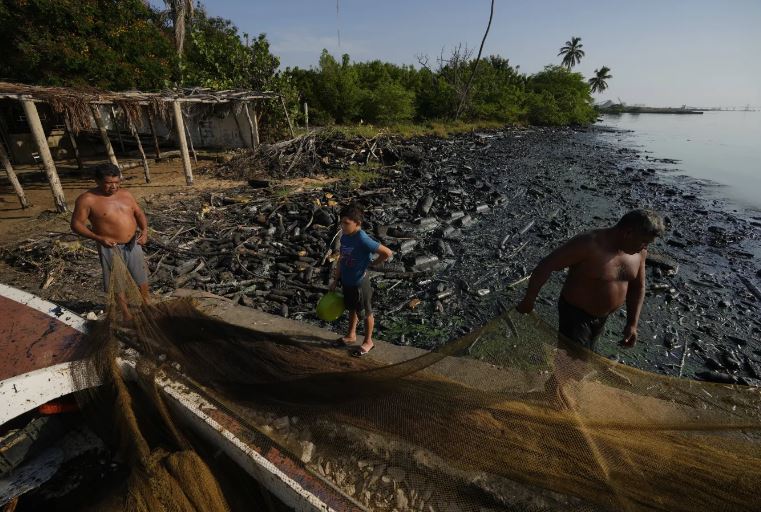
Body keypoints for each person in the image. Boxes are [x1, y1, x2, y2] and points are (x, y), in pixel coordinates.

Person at [516, 209, 665, 351]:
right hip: (576, 316)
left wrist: (632, 324)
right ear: (628, 233)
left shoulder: (639, 252)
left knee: (582, 361)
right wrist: (529, 300)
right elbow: (546, 266)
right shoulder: (589, 244)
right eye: (644, 241)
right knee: (570, 366)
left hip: (602, 318)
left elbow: (637, 287)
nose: (645, 247)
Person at [71, 163, 150, 319]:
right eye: (108, 183)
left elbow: (139, 213)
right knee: (117, 281)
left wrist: (145, 231)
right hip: (110, 246)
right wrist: (98, 238)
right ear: (97, 181)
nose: (114, 187)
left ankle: (146, 304)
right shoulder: (87, 199)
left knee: (141, 276)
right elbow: (76, 224)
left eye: (117, 182)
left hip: (133, 242)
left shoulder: (126, 194)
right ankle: (126, 313)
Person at [330, 204, 393, 357]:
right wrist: (335, 279)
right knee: (352, 308)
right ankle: (351, 335)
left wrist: (372, 264)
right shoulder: (345, 236)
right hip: (347, 281)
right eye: (341, 222)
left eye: (346, 223)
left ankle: (368, 341)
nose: (342, 226)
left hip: (360, 283)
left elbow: (387, 252)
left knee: (365, 312)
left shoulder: (362, 239)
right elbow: (341, 259)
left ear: (357, 223)